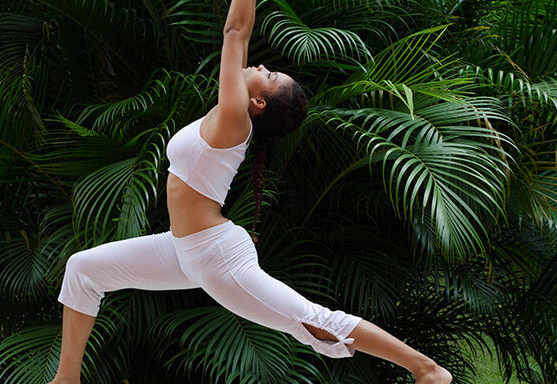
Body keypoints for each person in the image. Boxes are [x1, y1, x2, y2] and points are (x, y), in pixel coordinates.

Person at [49, 0, 453, 383]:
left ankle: (427, 369)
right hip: (182, 250)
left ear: (258, 101)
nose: (261, 65)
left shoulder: (233, 120)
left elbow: (236, 31)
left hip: (215, 256)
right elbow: (238, 46)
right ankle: (67, 378)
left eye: (270, 74)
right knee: (83, 269)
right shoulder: (230, 113)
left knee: (313, 321)